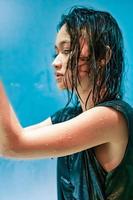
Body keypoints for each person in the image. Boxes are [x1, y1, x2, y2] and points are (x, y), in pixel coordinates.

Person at [0, 6, 133, 200]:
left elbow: (12, 144)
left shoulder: (112, 118)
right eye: (57, 52)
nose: (55, 62)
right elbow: (6, 140)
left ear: (103, 56)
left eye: (68, 50)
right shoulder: (67, 117)